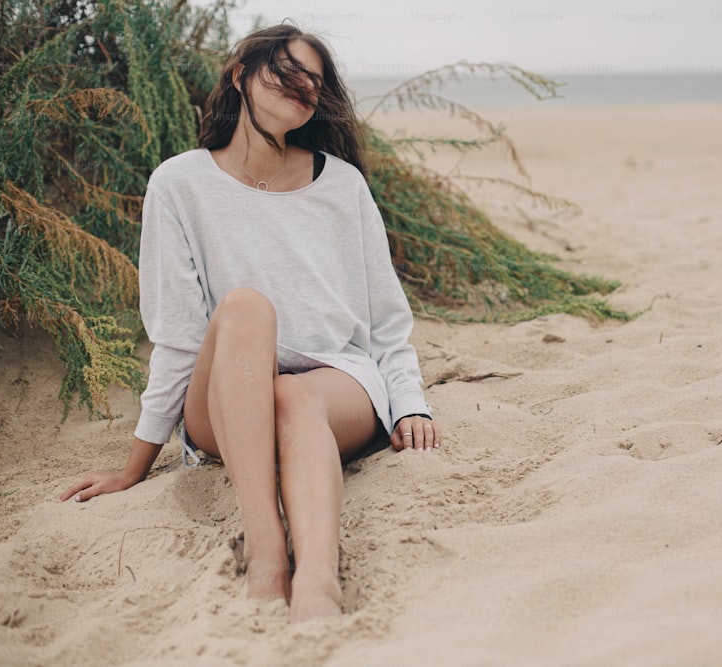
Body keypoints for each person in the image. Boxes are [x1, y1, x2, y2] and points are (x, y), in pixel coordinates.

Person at [59, 23, 443, 623]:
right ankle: (266, 546)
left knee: (291, 391)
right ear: (240, 74)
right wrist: (135, 465)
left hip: (334, 384)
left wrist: (410, 403)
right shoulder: (179, 184)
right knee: (244, 307)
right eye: (284, 71)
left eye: (313, 82)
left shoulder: (343, 185)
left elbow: (388, 323)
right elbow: (179, 337)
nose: (300, 87)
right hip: (224, 398)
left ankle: (317, 578)